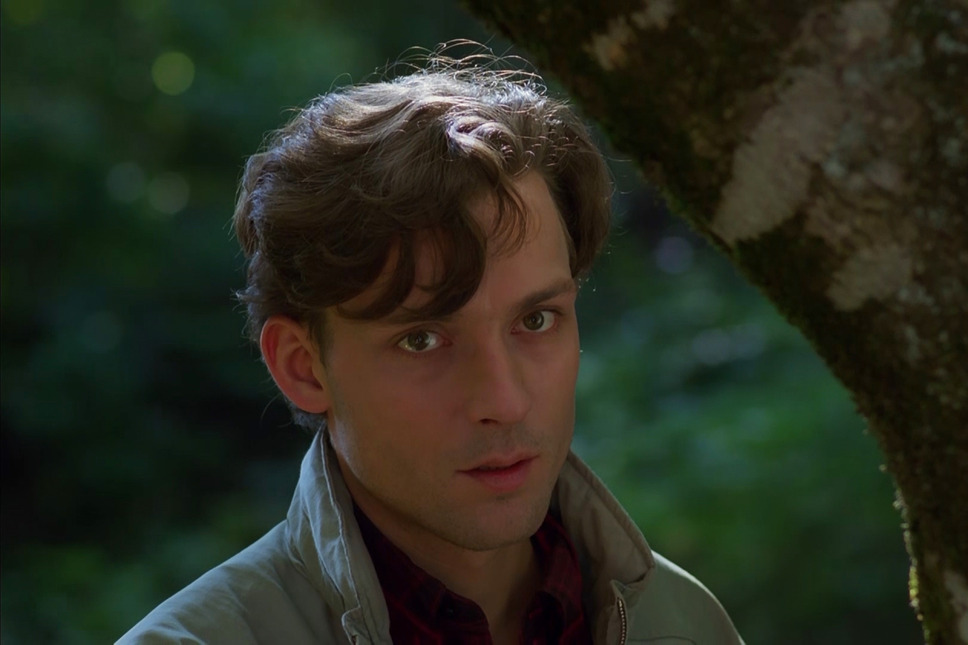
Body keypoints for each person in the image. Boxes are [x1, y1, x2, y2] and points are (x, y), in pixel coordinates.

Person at [119, 54, 744, 644]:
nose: (504, 401)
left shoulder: (682, 622)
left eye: (535, 320)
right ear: (303, 366)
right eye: (422, 339)